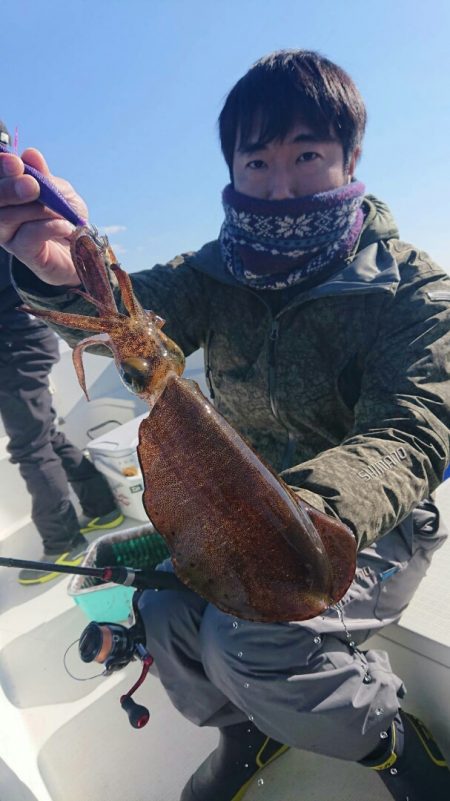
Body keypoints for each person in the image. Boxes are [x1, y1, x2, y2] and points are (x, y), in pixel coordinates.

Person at [0, 51, 449, 799]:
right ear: (233, 169)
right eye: (257, 160)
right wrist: (54, 267)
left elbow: (413, 433)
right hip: (234, 510)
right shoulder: (215, 271)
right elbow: (132, 317)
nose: (280, 185)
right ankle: (250, 728)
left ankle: (392, 740)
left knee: (250, 639)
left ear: (350, 158)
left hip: (359, 525)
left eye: (307, 154)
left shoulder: (416, 289)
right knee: (168, 612)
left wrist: (307, 515)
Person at [0, 122, 124, 585]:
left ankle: (63, 544)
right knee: (45, 433)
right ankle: (102, 506)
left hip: (17, 340)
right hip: (27, 336)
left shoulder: (15, 199)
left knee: (29, 443)